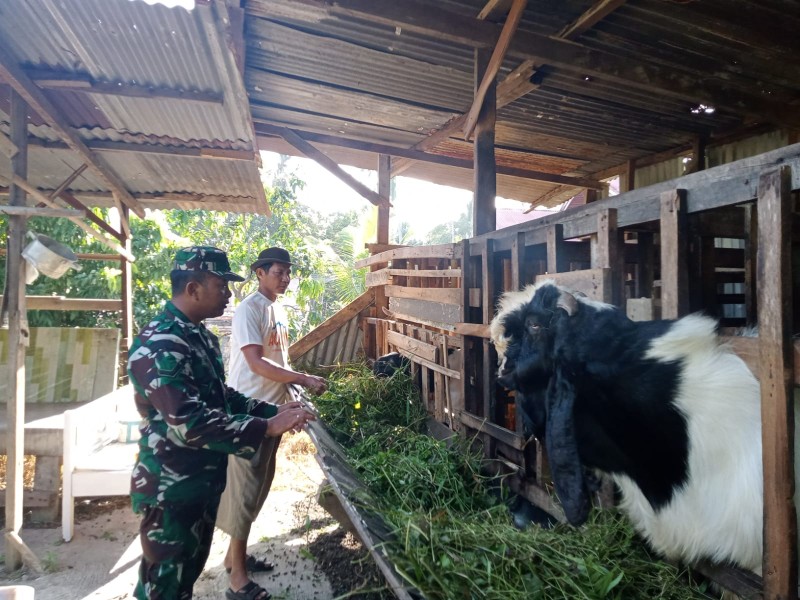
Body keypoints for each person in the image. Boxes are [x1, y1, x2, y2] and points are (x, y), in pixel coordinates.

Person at [127, 246, 315, 600]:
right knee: (164, 585)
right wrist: (264, 427)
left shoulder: (200, 336)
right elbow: (190, 422)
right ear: (193, 288)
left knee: (186, 576)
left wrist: (270, 411)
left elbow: (223, 397)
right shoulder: (161, 342)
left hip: (201, 481)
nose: (228, 292)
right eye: (220, 284)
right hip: (173, 487)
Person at [216, 247, 327, 600]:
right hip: (248, 411)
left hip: (272, 410)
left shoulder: (276, 309)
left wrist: (290, 396)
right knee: (245, 489)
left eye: (288, 272)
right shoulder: (250, 308)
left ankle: (235, 557)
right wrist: (304, 378)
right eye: (279, 272)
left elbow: (279, 359)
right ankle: (238, 580)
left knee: (260, 485)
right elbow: (257, 364)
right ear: (260, 272)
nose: (286, 278)